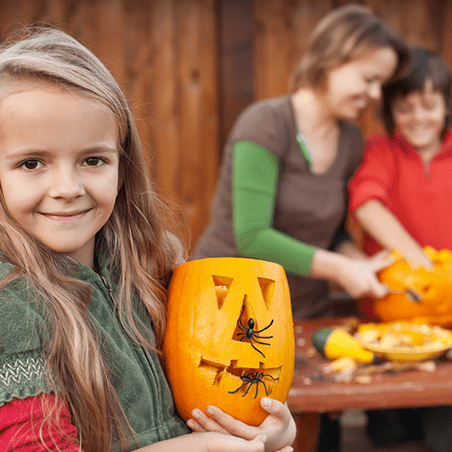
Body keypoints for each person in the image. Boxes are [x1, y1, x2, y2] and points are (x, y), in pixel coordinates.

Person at [0, 27, 296, 452]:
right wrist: (205, 449)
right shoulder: (11, 304)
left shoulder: (151, 270)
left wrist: (267, 434)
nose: (67, 187)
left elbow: (220, 403)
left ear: (123, 167)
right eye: (32, 163)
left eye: (92, 160)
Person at [192, 3, 409, 322]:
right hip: (231, 307)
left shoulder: (349, 140)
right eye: (369, 78)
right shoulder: (265, 124)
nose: (376, 94)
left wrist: (360, 264)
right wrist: (340, 268)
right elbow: (252, 236)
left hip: (306, 312)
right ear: (331, 61)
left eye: (382, 84)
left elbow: (332, 234)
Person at [348, 47, 452, 452]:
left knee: (443, 437)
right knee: (387, 436)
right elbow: (365, 201)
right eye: (405, 108)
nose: (418, 117)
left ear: (446, 106)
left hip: (447, 320)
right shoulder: (382, 151)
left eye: (429, 105)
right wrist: (416, 258)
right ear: (390, 111)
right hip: (388, 313)